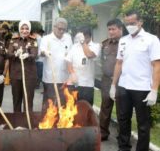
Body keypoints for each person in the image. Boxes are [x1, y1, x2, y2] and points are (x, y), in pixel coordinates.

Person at [110, 10, 160, 151]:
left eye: (132, 23)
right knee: (123, 120)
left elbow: (157, 65)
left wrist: (154, 90)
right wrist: (113, 85)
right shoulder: (124, 41)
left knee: (143, 124)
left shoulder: (151, 40)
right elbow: (119, 63)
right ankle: (124, 147)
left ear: (140, 22)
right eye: (127, 23)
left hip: (142, 88)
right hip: (124, 86)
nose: (129, 26)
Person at [39, 18, 72, 111]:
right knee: (49, 104)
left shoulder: (68, 38)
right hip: (50, 78)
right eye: (59, 28)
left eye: (63, 29)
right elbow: (41, 53)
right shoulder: (46, 39)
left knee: (62, 104)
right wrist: (44, 52)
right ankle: (46, 124)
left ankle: (61, 123)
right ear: (54, 27)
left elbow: (71, 54)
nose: (61, 31)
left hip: (64, 78)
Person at [99, 19, 123, 141]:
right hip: (107, 80)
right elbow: (101, 61)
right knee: (105, 108)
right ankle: (103, 133)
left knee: (121, 110)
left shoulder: (125, 43)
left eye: (113, 29)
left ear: (120, 29)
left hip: (121, 82)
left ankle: (122, 136)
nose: (111, 31)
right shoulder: (105, 44)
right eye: (109, 29)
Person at [8, 20, 38, 112]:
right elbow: (8, 54)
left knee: (28, 101)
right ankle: (17, 123)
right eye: (22, 28)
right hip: (16, 75)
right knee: (16, 100)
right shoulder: (13, 40)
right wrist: (15, 54)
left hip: (29, 75)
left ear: (29, 30)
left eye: (27, 29)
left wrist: (28, 55)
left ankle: (27, 123)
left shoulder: (33, 41)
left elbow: (35, 54)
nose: (24, 31)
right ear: (19, 29)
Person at [65, 27, 100, 106]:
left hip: (87, 85)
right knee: (71, 109)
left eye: (83, 37)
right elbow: (68, 61)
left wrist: (83, 43)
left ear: (89, 36)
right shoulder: (75, 46)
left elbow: (89, 55)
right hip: (73, 83)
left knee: (85, 109)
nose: (80, 39)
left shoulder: (96, 46)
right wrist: (72, 73)